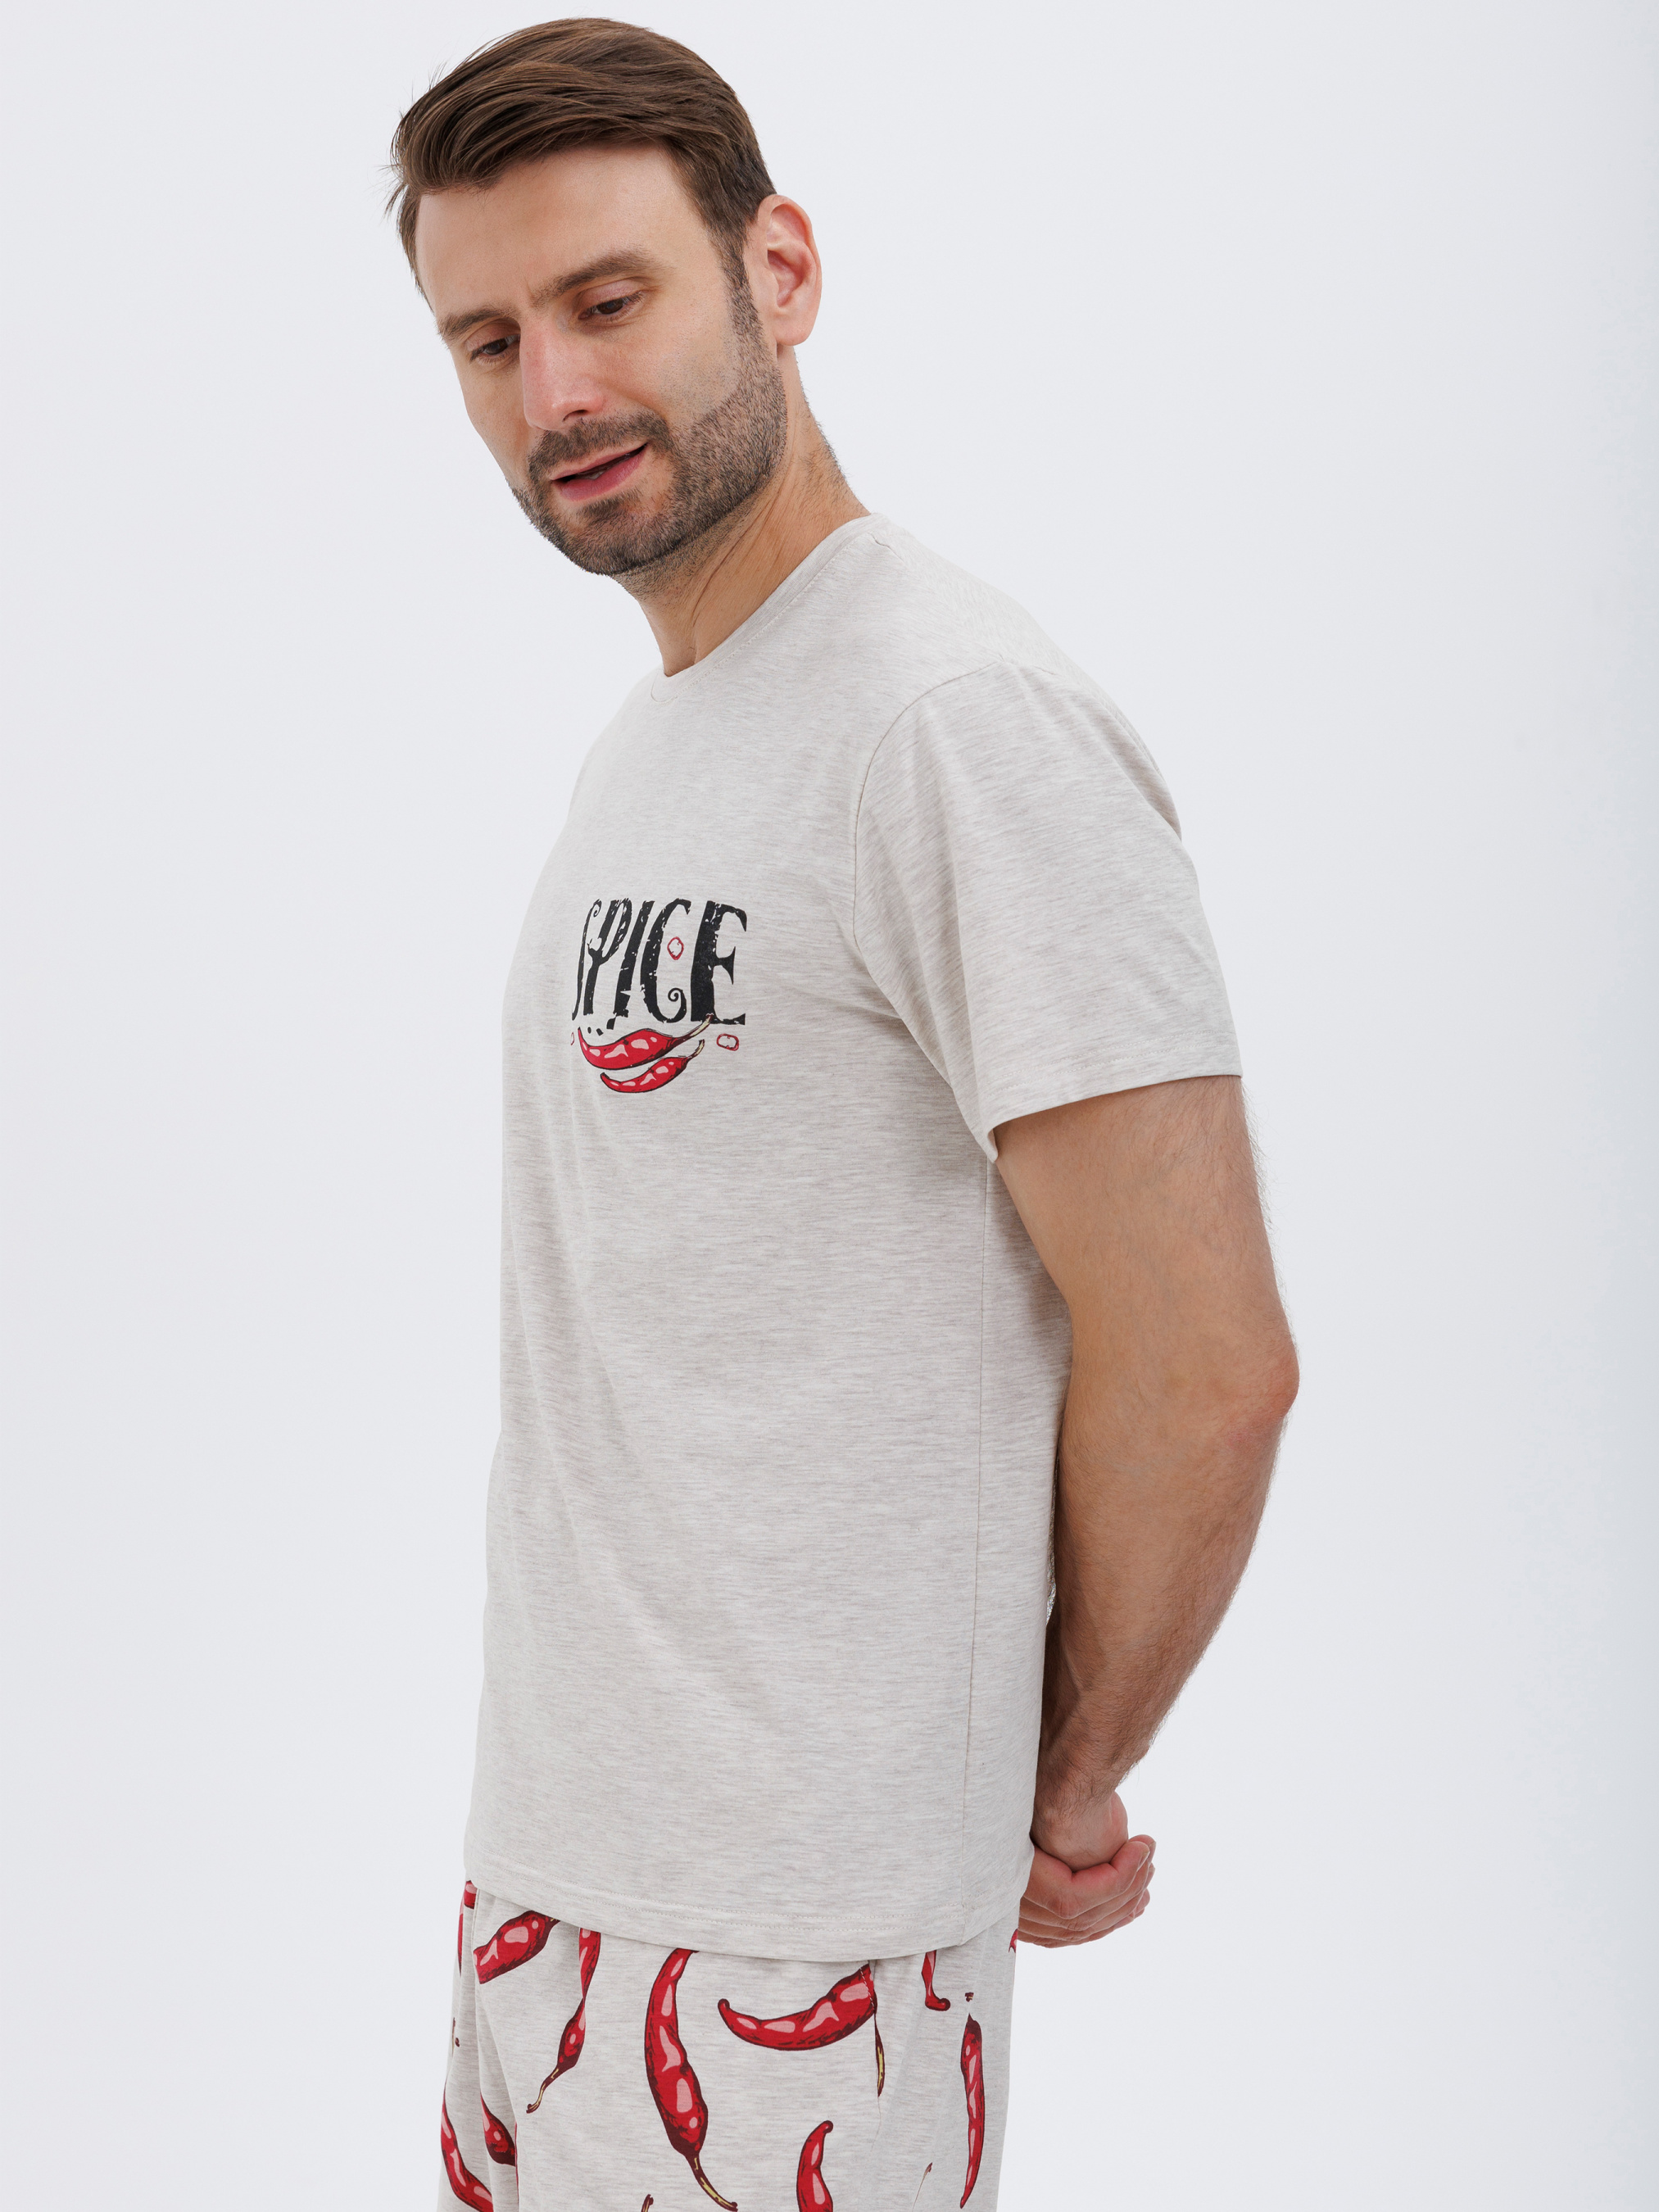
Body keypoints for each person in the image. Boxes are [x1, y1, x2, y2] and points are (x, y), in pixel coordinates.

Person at [390, 20, 1298, 2210]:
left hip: (799, 1936)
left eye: (608, 300)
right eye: (488, 340)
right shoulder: (665, 736)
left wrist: (1053, 1783)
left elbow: (1205, 1357)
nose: (554, 392)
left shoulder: (955, 722)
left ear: (776, 270)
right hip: (552, 1878)